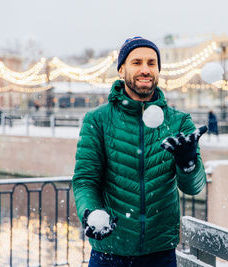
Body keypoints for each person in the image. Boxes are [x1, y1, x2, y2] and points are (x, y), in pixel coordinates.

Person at [72, 37, 207, 267]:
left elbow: (194, 187)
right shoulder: (98, 120)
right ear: (122, 69)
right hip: (110, 253)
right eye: (137, 62)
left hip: (160, 254)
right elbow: (85, 180)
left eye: (151, 63)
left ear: (158, 70)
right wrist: (91, 214)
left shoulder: (179, 122)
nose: (145, 69)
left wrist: (188, 164)